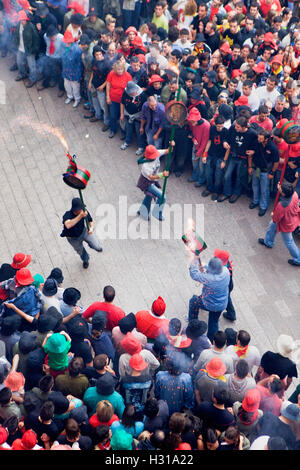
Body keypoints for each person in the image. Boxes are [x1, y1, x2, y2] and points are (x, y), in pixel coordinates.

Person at [188, 256, 230, 342]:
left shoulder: (208, 279)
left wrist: (194, 260)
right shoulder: (226, 271)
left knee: (193, 302)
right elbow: (212, 272)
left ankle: (193, 324)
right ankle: (211, 341)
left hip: (209, 303)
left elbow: (194, 274)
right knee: (214, 322)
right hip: (222, 303)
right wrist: (205, 267)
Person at [258, 182, 300, 265]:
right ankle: (268, 242)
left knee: (289, 241)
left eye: (280, 189)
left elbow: (276, 219)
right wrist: (280, 187)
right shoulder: (294, 194)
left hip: (286, 224)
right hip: (292, 217)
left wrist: (273, 215)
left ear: (283, 194)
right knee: (271, 227)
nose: (279, 188)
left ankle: (298, 259)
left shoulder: (282, 205)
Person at [60, 197, 103, 269]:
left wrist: (91, 228)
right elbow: (68, 225)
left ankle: (94, 246)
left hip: (84, 232)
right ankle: (86, 260)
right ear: (75, 209)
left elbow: (90, 221)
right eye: (79, 209)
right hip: (73, 238)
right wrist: (80, 216)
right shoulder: (67, 215)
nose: (81, 210)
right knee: (80, 250)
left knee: (96, 245)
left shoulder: (83, 212)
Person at [249, 128, 279, 217]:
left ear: (266, 139)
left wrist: (272, 173)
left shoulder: (273, 147)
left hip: (266, 171)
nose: (259, 140)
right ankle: (255, 201)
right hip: (256, 168)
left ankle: (263, 206)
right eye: (258, 138)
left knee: (264, 189)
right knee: (255, 186)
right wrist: (250, 166)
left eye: (261, 138)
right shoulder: (256, 143)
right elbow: (250, 154)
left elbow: (276, 162)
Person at [106, 59, 132, 139]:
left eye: (121, 69)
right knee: (113, 116)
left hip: (123, 101)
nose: (120, 71)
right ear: (115, 69)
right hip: (113, 99)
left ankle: (123, 131)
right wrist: (107, 96)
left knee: (122, 117)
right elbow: (108, 84)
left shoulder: (127, 76)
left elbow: (130, 88)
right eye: (118, 69)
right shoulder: (111, 73)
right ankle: (113, 129)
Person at [13, 10, 40, 88]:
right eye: (21, 20)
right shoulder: (18, 25)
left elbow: (36, 39)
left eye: (24, 20)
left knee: (32, 66)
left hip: (29, 50)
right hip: (20, 48)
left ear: (26, 19)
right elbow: (16, 36)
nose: (22, 21)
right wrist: (15, 45)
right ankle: (23, 74)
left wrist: (34, 49)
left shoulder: (31, 26)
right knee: (19, 62)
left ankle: (33, 79)